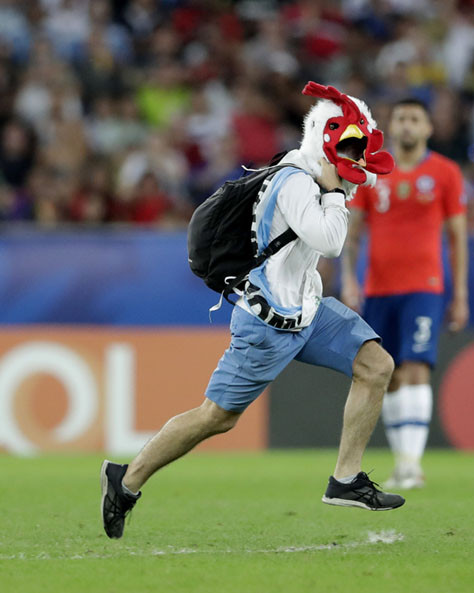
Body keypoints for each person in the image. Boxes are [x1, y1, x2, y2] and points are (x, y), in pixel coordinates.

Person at [100, 82, 406, 540]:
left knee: (377, 365)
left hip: (307, 309)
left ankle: (346, 479)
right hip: (268, 322)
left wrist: (339, 182)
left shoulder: (312, 176)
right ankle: (125, 481)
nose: (358, 155)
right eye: (350, 145)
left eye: (360, 145)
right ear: (325, 139)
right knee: (215, 417)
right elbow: (332, 242)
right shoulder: (296, 181)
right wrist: (337, 192)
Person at [342, 98, 469, 489]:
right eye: (401, 118)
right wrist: (348, 279)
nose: (408, 125)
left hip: (424, 287)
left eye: (415, 118)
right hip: (378, 288)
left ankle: (413, 462)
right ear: (390, 127)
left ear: (428, 128)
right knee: (388, 375)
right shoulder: (373, 172)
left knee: (416, 367)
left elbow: (458, 237)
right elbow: (354, 230)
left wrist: (459, 293)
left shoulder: (446, 173)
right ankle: (403, 461)